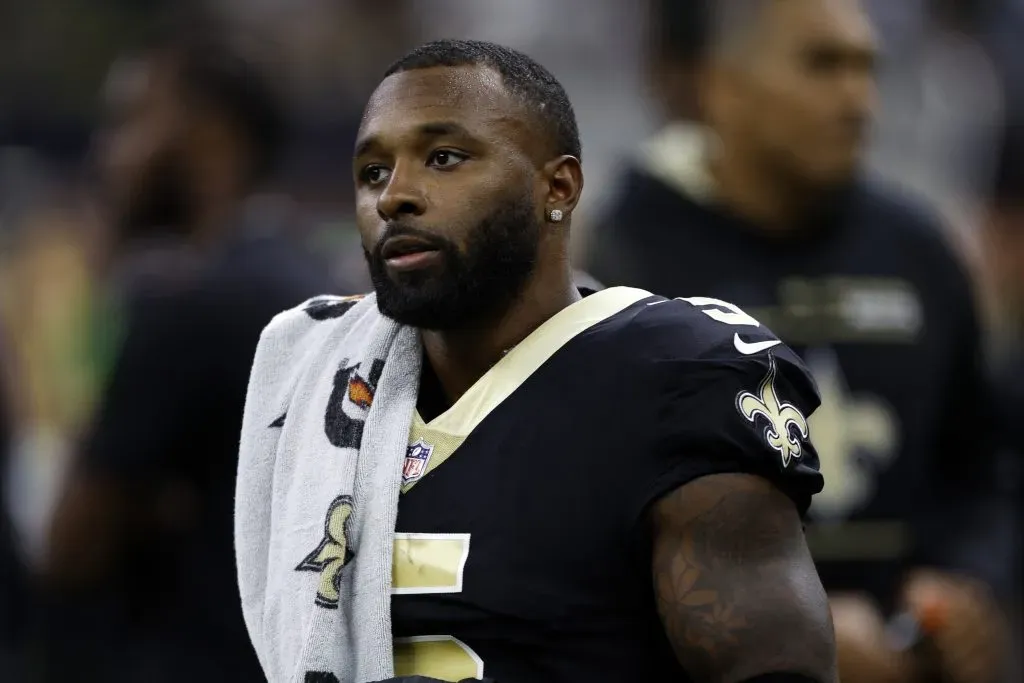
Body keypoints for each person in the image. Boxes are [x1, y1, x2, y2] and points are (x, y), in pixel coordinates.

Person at [237, 39, 836, 683]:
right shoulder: (317, 370)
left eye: (443, 158)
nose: (394, 197)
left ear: (559, 186)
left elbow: (778, 670)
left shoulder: (671, 372)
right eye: (374, 172)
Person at [587, 1, 1012, 682]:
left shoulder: (918, 251)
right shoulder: (620, 265)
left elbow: (985, 466)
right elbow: (585, 516)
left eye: (867, 69)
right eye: (823, 66)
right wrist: (777, 622)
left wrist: (966, 582)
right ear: (721, 86)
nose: (858, 98)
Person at [42, 19, 335, 683]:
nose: (107, 152)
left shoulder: (184, 302)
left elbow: (68, 549)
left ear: (206, 134)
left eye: (130, 122)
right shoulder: (313, 283)